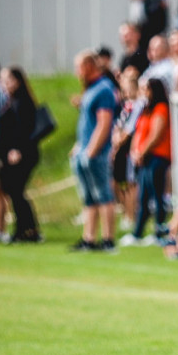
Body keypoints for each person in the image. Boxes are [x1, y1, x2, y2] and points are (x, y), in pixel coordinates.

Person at [70, 50, 118, 252]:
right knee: (89, 197)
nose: (76, 72)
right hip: (84, 150)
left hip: (96, 153)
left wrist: (92, 150)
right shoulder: (90, 89)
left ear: (89, 66)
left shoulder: (103, 89)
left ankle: (108, 239)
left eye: (79, 66)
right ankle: (88, 238)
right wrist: (79, 146)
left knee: (103, 194)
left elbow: (104, 123)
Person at [121, 77, 171, 246]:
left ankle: (159, 232)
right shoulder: (145, 109)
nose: (143, 93)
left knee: (157, 196)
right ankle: (138, 232)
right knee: (142, 197)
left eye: (146, 89)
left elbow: (155, 134)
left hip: (157, 156)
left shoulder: (161, 108)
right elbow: (139, 132)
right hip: (144, 158)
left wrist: (142, 151)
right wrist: (136, 152)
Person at [0, 67, 41, 243]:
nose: (5, 84)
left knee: (17, 191)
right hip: (11, 152)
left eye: (8, 80)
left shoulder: (22, 102)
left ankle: (27, 229)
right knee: (15, 192)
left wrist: (17, 149)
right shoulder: (10, 101)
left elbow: (23, 129)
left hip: (20, 154)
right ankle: (25, 227)